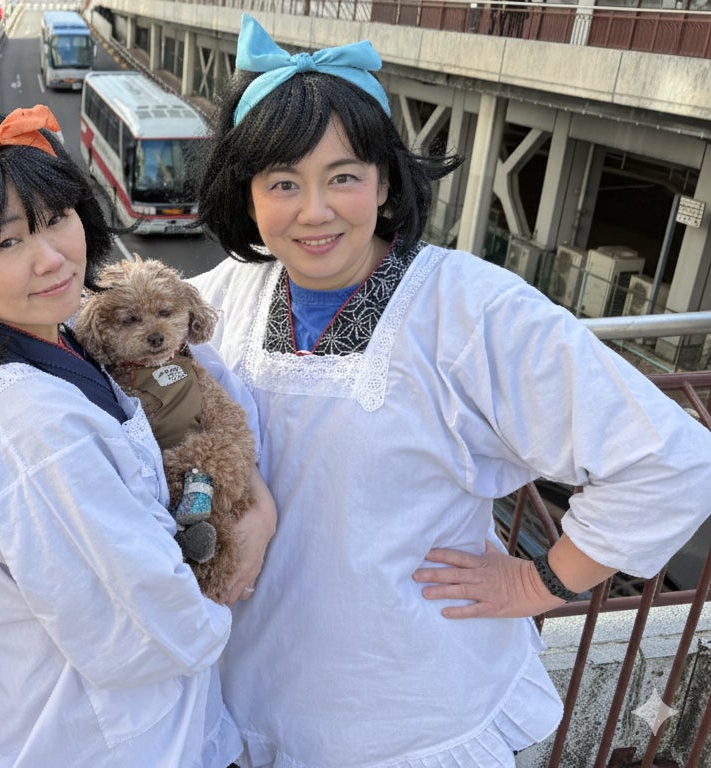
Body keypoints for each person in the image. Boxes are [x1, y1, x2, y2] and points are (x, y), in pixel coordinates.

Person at [190, 15, 711, 767]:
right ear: (247, 196)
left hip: (409, 715)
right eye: (283, 183)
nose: (314, 210)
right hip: (249, 697)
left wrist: (539, 581)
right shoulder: (225, 297)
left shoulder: (471, 308)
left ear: (384, 181)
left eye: (343, 177)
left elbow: (672, 462)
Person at [0, 103, 276, 767]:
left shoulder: (53, 344)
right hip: (102, 742)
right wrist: (241, 557)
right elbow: (149, 626)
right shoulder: (34, 427)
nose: (52, 258)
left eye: (57, 218)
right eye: (6, 243)